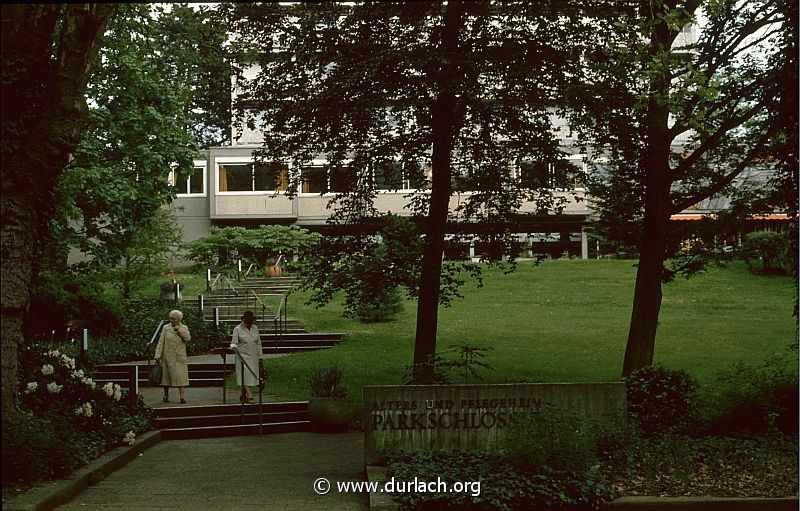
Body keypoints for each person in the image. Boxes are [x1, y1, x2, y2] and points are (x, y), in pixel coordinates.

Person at [155, 310, 191, 404]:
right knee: (166, 377)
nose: (171, 320)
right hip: (167, 355)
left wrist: (179, 330)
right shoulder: (165, 328)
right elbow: (161, 341)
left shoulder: (184, 327)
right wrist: (157, 354)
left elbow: (187, 338)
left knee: (181, 376)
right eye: (170, 318)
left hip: (179, 356)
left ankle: (182, 397)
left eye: (173, 319)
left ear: (179, 319)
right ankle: (166, 395)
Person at [230, 310, 264, 403]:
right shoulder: (237, 329)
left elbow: (258, 343)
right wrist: (233, 347)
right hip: (243, 357)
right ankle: (249, 395)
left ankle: (244, 394)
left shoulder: (255, 328)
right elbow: (234, 342)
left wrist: (260, 356)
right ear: (244, 319)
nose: (249, 323)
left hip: (254, 356)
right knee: (245, 376)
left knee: (252, 376)